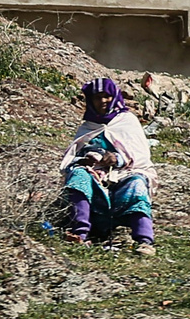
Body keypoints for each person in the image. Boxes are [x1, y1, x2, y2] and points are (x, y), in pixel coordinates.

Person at [57, 77, 156, 255]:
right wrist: (85, 160)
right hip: (96, 177)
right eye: (97, 97)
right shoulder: (87, 127)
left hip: (126, 173)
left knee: (137, 184)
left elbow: (141, 155)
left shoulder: (128, 121)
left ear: (115, 97)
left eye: (107, 96)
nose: (102, 101)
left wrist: (118, 159)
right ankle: (80, 233)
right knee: (79, 175)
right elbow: (73, 155)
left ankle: (144, 240)